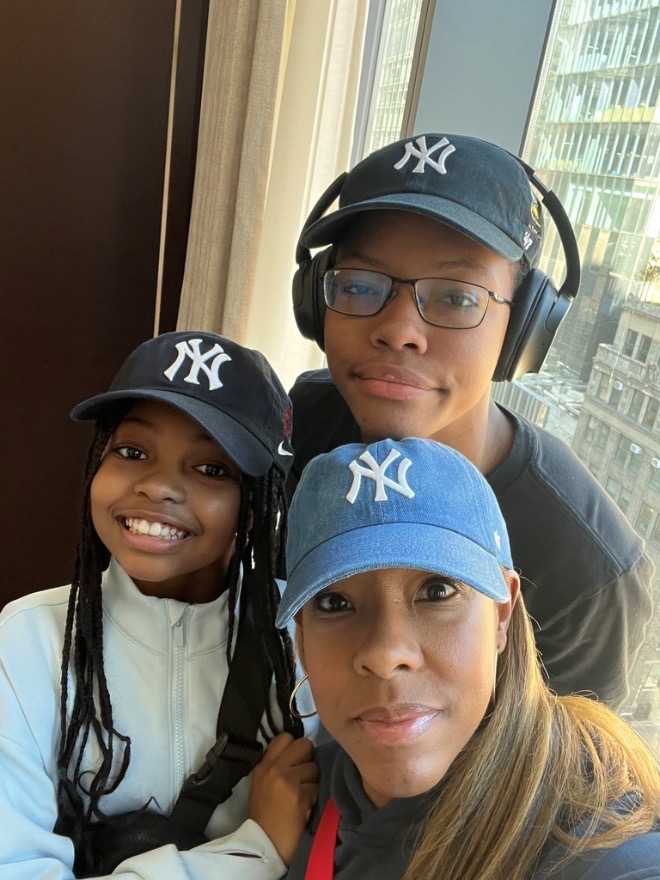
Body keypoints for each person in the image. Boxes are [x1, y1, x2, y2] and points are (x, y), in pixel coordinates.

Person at [287, 132, 654, 707]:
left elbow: (565, 787)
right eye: (359, 286)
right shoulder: (310, 420)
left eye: (458, 298)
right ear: (314, 301)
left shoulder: (585, 571)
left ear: (525, 331)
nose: (399, 329)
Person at [0, 331, 318, 878]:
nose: (158, 487)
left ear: (254, 508)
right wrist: (257, 850)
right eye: (132, 452)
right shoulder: (27, 641)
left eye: (211, 469)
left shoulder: (309, 635)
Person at [275, 437, 660, 880]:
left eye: (437, 592)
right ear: (302, 636)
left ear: (501, 614)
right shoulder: (300, 795)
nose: (384, 655)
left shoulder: (591, 844)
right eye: (334, 603)